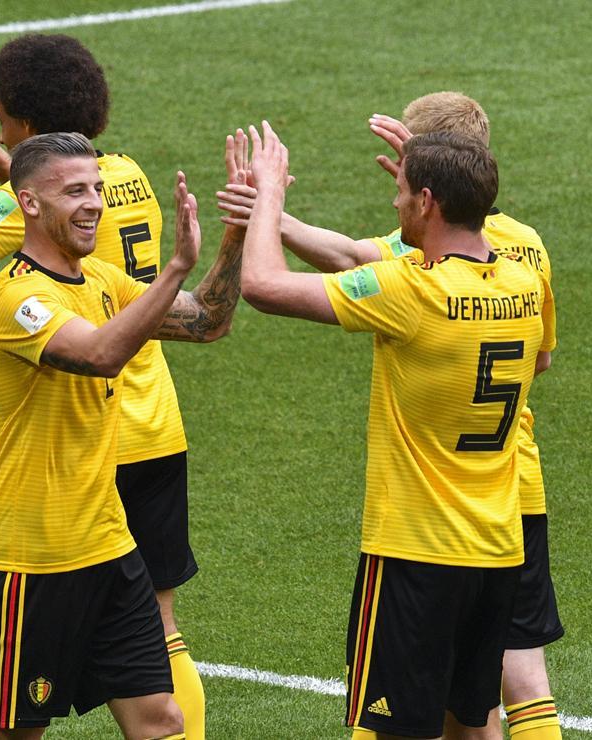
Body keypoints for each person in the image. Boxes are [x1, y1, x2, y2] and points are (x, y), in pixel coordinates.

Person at [0, 35, 241, 736]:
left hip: (107, 540)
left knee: (160, 719)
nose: (94, 204)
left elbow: (206, 321)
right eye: (77, 192)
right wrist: (174, 266)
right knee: (13, 731)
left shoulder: (103, 279)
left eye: (95, 191)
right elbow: (102, 354)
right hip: (37, 553)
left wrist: (238, 228)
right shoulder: (16, 299)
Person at [218, 93, 562, 739]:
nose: (395, 202)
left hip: (416, 553)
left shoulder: (410, 290)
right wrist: (437, 174)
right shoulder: (522, 280)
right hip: (496, 548)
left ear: (428, 201)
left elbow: (263, 285)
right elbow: (539, 358)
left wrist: (268, 199)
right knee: (473, 725)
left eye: (402, 192)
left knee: (393, 729)